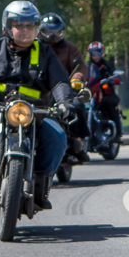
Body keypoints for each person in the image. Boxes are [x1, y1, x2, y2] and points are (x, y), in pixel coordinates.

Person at [0, 0, 75, 209]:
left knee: (57, 136)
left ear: (37, 28)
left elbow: (60, 82)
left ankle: (41, 185)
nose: (25, 30)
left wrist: (65, 102)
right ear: (8, 27)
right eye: (19, 25)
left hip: (33, 111)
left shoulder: (46, 54)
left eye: (30, 25)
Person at [40, 13, 90, 160]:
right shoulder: (35, 46)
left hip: (63, 89)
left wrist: (77, 79)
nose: (52, 35)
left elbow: (80, 67)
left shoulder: (70, 48)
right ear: (41, 30)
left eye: (56, 31)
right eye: (48, 31)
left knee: (77, 105)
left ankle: (79, 141)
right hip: (39, 89)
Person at [87, 41, 123, 142]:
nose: (95, 56)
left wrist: (115, 79)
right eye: (93, 53)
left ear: (102, 53)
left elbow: (114, 74)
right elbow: (80, 74)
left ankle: (117, 133)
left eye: (98, 52)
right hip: (90, 92)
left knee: (110, 103)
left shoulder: (107, 65)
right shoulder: (86, 66)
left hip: (106, 92)